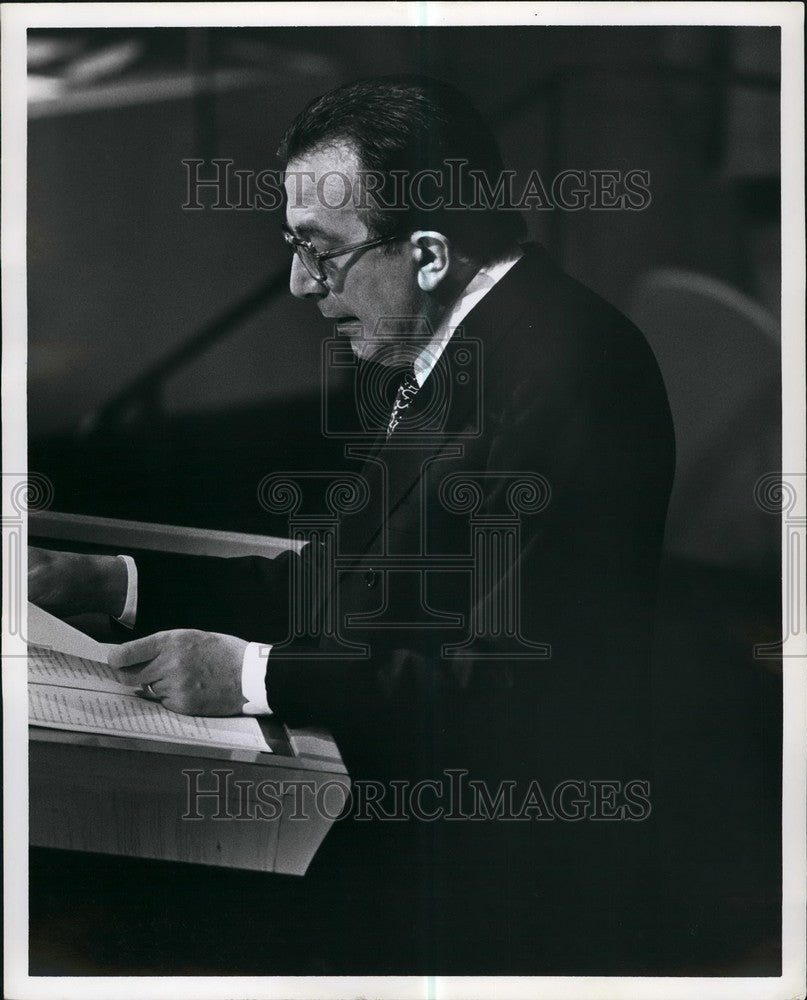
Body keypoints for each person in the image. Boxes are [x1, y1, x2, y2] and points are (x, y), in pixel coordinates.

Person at [29, 76, 675, 973]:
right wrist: (111, 581)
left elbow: (516, 689)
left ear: (430, 253)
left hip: (491, 865)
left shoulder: (571, 375)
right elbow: (340, 582)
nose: (301, 283)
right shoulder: (465, 339)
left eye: (321, 250)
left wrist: (248, 676)